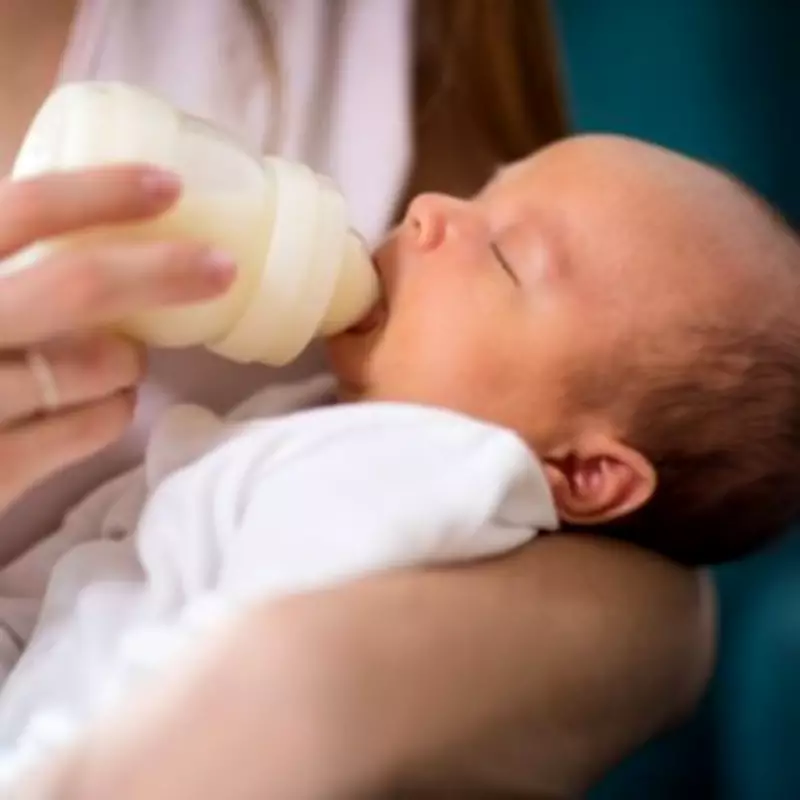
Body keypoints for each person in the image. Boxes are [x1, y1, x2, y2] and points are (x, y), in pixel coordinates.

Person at [0, 2, 713, 797]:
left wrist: (319, 692)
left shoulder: (445, 476)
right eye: (480, 196)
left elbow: (228, 668)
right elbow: (81, 579)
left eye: (507, 255)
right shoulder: (304, 426)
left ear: (584, 474)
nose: (430, 210)